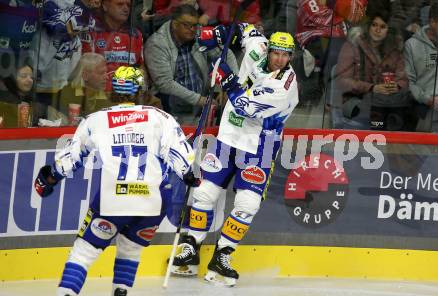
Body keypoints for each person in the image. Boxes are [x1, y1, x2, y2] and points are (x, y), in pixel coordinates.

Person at [33, 66, 199, 296]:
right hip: (153, 202)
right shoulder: (160, 117)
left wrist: (49, 178)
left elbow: (70, 159)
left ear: (113, 90)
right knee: (130, 251)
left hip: (114, 200)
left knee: (84, 252)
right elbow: (181, 155)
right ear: (141, 90)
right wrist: (187, 174)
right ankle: (120, 291)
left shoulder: (96, 120)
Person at [170, 24, 298, 286]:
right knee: (204, 192)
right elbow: (245, 29)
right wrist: (216, 33)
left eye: (286, 56)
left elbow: (245, 106)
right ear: (269, 49)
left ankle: (223, 255)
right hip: (228, 138)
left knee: (248, 204)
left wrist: (226, 78)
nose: (280, 59)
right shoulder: (257, 48)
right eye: (277, 53)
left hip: (260, 146)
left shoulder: (284, 86)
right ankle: (190, 248)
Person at [145, 4, 238, 124]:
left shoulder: (198, 34)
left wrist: (230, 86)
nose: (193, 29)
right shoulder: (157, 44)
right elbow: (165, 84)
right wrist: (200, 100)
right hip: (170, 111)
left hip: (201, 107)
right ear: (174, 24)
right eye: (187, 25)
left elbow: (226, 54)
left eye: (195, 25)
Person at [336, 10, 413, 131]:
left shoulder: (394, 50)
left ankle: (396, 145)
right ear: (369, 26)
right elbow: (342, 81)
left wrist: (396, 86)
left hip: (386, 102)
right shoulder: (352, 45)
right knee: (380, 119)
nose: (378, 30)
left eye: (383, 27)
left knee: (405, 115)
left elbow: (404, 78)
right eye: (374, 25)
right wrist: (371, 87)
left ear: (388, 30)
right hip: (356, 100)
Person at [82, 0, 144, 92]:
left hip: (127, 94)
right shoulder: (91, 31)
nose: (126, 9)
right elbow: (85, 70)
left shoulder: (136, 35)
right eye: (120, 4)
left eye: (128, 5)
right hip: (98, 94)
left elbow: (141, 67)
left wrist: (138, 88)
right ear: (105, 6)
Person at [46, 53, 111, 126]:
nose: (107, 77)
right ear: (85, 75)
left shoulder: (103, 96)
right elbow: (57, 131)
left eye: (106, 72)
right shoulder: (63, 97)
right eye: (101, 73)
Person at [404, 2, 438, 132]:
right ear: (432, 22)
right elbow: (408, 83)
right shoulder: (411, 45)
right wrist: (429, 100)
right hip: (425, 107)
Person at [0, 58, 34, 128]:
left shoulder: (29, 98)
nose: (30, 80)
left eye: (31, 77)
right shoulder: (6, 101)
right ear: (11, 78)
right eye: (24, 76)